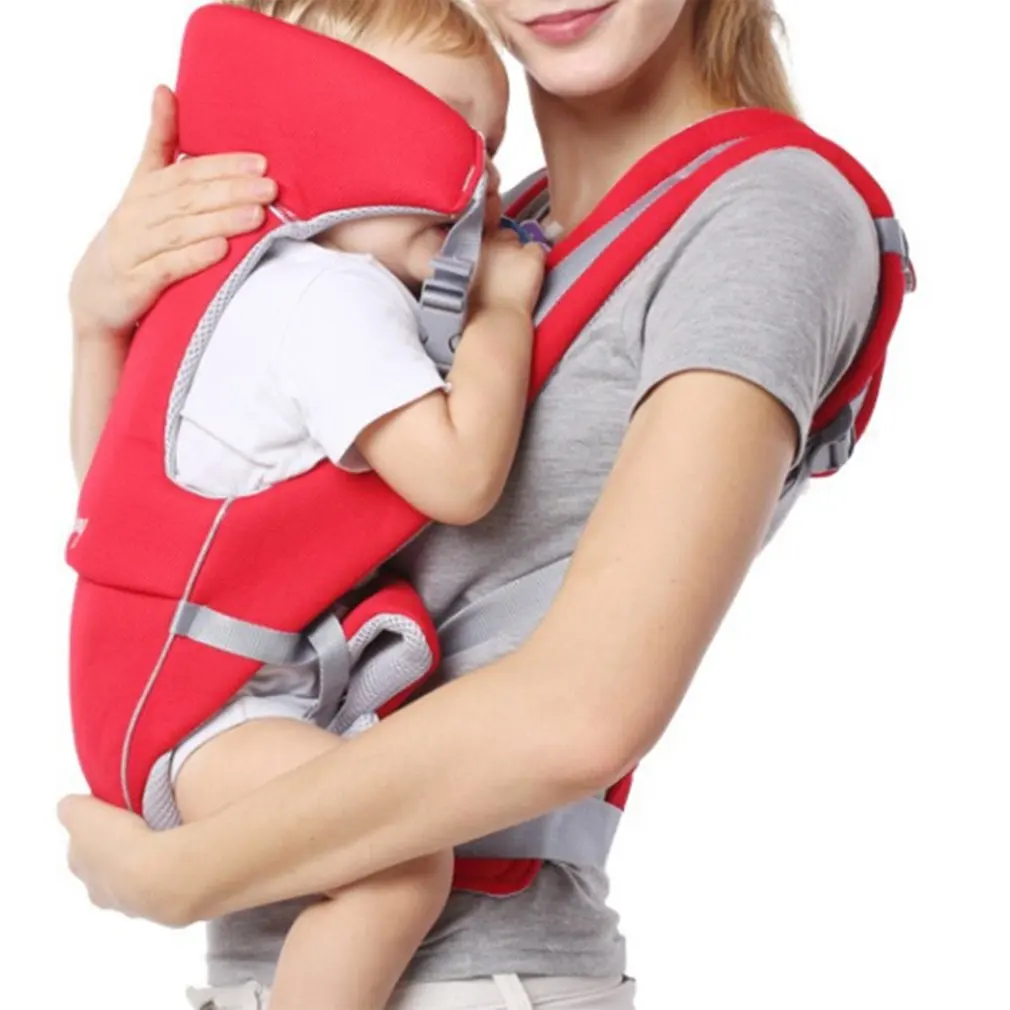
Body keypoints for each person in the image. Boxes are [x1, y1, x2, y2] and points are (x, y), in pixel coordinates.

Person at [59, 0, 884, 1007]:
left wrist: (175, 874)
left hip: (469, 977)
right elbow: (178, 525)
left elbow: (584, 713)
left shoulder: (761, 211)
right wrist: (102, 320)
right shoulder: (453, 240)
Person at [86, 2, 543, 1009]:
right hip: (212, 714)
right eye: (448, 131)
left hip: (178, 690)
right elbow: (460, 477)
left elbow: (117, 485)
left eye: (492, 146)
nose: (479, 181)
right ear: (325, 122)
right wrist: (503, 310)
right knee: (400, 865)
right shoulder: (333, 298)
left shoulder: (239, 283)